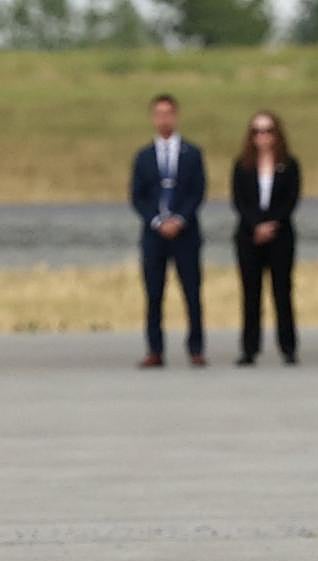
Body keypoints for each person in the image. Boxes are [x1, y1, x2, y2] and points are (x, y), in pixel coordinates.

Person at [129, 93, 207, 368]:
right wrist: (157, 221)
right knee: (153, 293)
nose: (164, 119)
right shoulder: (144, 156)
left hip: (185, 233)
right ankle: (155, 349)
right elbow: (137, 196)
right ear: (153, 118)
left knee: (192, 291)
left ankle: (196, 347)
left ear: (176, 116)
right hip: (154, 235)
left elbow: (198, 192)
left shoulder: (191, 153)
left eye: (168, 113)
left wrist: (180, 219)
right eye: (159, 114)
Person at [231, 110, 301, 366]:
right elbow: (239, 200)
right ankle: (249, 348)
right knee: (251, 293)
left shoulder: (289, 165)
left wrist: (272, 224)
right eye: (257, 131)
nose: (263, 136)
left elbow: (291, 199)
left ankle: (288, 347)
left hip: (280, 236)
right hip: (249, 237)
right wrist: (256, 225)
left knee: (282, 292)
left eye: (268, 130)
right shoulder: (242, 165)